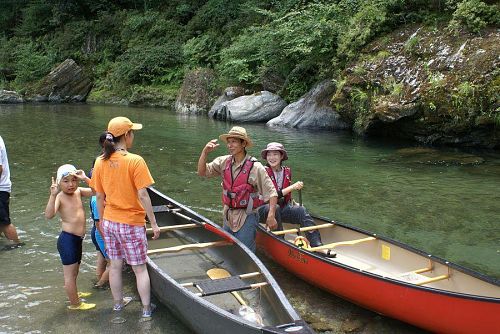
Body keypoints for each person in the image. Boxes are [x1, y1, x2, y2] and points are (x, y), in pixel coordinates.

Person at [90, 116, 160, 320]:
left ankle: (118, 305)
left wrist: (102, 221)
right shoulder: (135, 160)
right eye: (132, 132)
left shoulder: (100, 161)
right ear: (127, 135)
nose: (133, 136)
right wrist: (154, 223)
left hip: (110, 221)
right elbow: (143, 194)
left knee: (115, 265)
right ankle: (146, 309)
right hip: (131, 222)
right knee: (139, 269)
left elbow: (99, 196)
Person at [197, 126, 278, 252]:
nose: (230, 145)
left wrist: (271, 215)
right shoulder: (223, 162)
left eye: (234, 141)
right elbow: (202, 172)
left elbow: (272, 192)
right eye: (228, 142)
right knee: (228, 250)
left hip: (247, 216)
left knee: (246, 252)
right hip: (228, 214)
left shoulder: (256, 167)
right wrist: (205, 152)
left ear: (243, 143)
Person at [44, 164, 96, 310]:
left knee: (75, 272)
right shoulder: (59, 197)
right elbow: (48, 215)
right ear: (59, 183)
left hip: (77, 240)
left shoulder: (78, 191)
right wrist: (53, 195)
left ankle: (74, 293)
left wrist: (85, 178)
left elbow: (97, 191)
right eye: (65, 181)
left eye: (74, 180)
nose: (71, 184)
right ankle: (75, 304)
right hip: (68, 240)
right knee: (69, 276)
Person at [258, 142, 323, 248]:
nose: (271, 157)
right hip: (264, 210)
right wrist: (292, 187)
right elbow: (272, 195)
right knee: (276, 208)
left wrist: (292, 202)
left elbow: (285, 193)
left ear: (281, 156)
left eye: (275, 154)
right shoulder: (263, 172)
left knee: (301, 210)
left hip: (282, 208)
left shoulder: (287, 171)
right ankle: (280, 241)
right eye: (269, 154)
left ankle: (317, 244)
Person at [89, 133, 109, 289]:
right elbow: (98, 223)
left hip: (97, 233)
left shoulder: (96, 195)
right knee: (115, 262)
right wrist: (108, 241)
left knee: (101, 258)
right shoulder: (97, 199)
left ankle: (99, 280)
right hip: (100, 233)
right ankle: (100, 284)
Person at [0, 135, 24, 251]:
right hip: (3, 188)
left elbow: (0, 168)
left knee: (4, 222)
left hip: (0, 188)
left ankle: (17, 245)